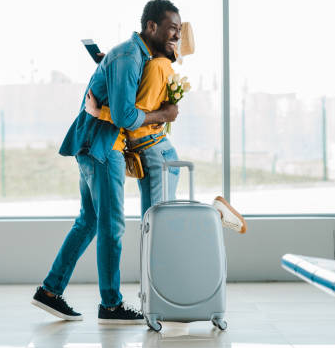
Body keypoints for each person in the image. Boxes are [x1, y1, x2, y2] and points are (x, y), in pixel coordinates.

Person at [31, 0, 181, 324]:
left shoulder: (130, 55)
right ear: (152, 27)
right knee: (111, 226)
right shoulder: (129, 56)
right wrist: (164, 114)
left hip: (92, 144)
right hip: (104, 145)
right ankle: (110, 305)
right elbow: (127, 117)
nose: (176, 38)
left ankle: (49, 291)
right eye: (172, 30)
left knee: (88, 222)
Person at [85, 22, 247, 233]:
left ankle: (215, 214)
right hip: (155, 151)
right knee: (158, 223)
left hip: (153, 153)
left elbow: (132, 117)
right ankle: (214, 214)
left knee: (157, 225)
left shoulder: (155, 68)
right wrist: (116, 65)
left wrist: (100, 113)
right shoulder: (159, 66)